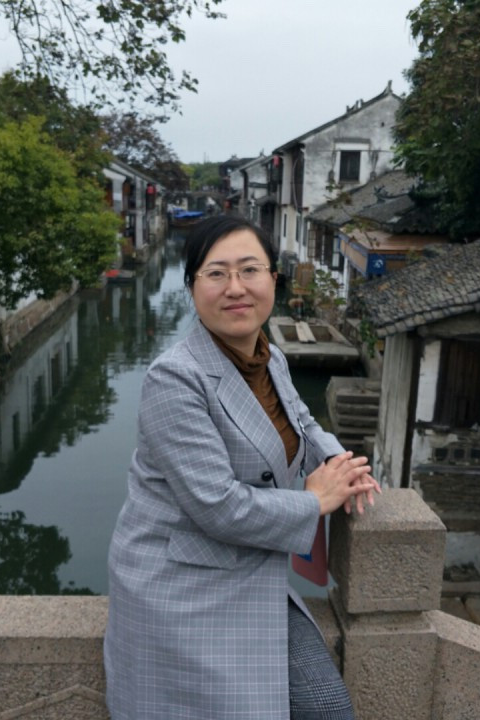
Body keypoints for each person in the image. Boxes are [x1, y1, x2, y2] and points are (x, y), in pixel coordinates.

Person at [104, 216, 380, 720]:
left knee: (328, 707)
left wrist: (340, 462)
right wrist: (314, 501)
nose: (235, 288)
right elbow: (217, 505)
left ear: (273, 278)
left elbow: (301, 421)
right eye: (216, 274)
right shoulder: (174, 378)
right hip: (183, 584)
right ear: (192, 288)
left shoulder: (269, 359)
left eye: (250, 270)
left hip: (252, 566)